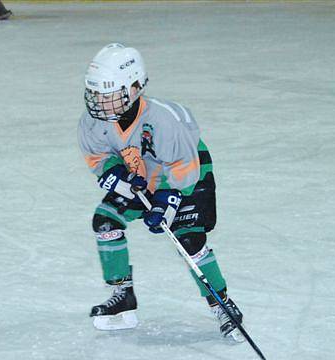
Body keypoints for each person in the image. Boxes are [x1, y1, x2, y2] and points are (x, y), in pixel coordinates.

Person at [78, 43, 244, 340]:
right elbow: (98, 157)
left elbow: (184, 167)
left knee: (189, 237)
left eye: (109, 94)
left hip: (189, 174)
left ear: (133, 88)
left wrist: (165, 202)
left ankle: (222, 303)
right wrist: (115, 173)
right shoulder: (94, 122)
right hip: (142, 174)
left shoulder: (162, 120)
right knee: (106, 221)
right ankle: (123, 295)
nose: (99, 103)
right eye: (96, 94)